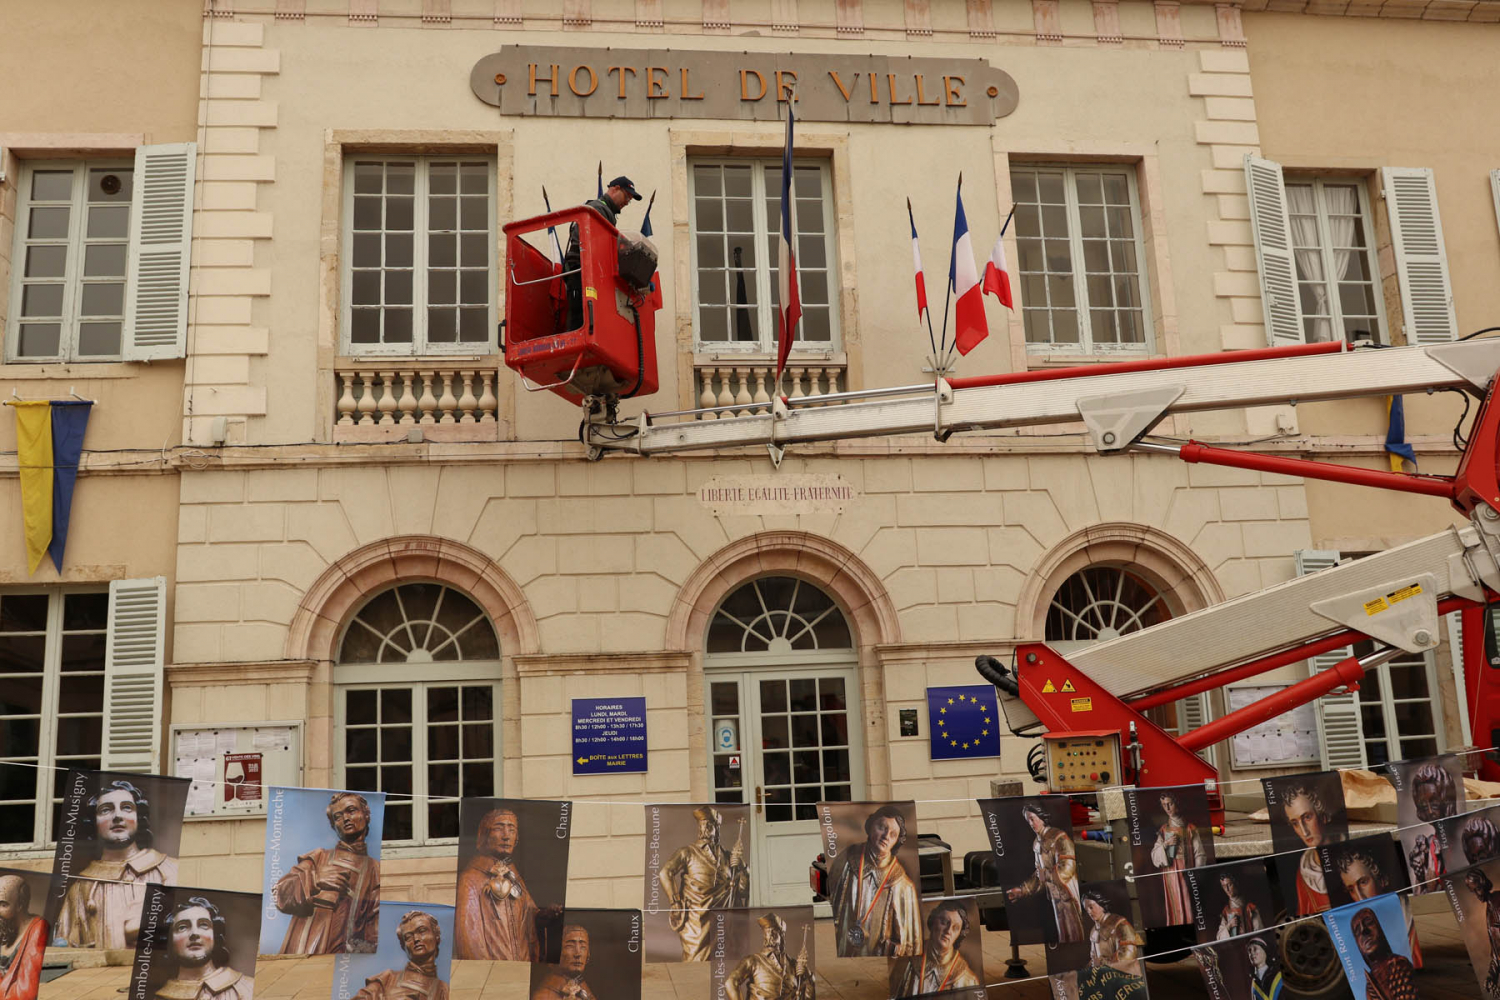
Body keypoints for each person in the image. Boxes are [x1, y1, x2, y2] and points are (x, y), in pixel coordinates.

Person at [55, 780, 180, 949]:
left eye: (127, 807)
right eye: (106, 810)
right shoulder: (79, 889)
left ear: (139, 817)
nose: (117, 816)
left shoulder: (171, 871)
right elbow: (64, 947)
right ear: (94, 823)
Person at [272, 792, 380, 955]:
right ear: (333, 826)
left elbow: (375, 930)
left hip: (344, 958)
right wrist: (314, 879)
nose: (346, 818)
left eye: (351, 811)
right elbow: (280, 894)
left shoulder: (375, 869)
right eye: (338, 816)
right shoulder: (319, 857)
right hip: (307, 949)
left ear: (366, 814)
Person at [455, 807, 558, 961]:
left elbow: (529, 915)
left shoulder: (514, 877)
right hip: (494, 969)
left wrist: (545, 916)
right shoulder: (470, 879)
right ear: (485, 835)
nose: (506, 836)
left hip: (521, 965)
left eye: (512, 830)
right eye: (498, 828)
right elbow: (468, 939)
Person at [658, 806, 748, 961]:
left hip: (723, 922)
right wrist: (675, 902)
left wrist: (743, 867)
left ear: (717, 828)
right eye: (702, 824)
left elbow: (743, 891)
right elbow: (665, 873)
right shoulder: (687, 852)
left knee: (722, 962)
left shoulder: (728, 857)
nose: (705, 828)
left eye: (709, 825)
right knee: (695, 960)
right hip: (696, 921)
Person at [829, 804, 921, 957]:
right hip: (846, 946)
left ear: (897, 841)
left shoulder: (903, 886)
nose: (886, 836)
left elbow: (910, 942)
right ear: (870, 826)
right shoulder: (847, 862)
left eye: (893, 834)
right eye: (881, 827)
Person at [563, 176, 642, 329]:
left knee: (584, 315)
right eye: (626, 196)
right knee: (580, 317)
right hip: (580, 268)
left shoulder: (603, 211)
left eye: (630, 200)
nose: (627, 202)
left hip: (582, 268)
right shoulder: (599, 209)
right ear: (615, 189)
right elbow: (597, 245)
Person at [1007, 803, 1084, 945]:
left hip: (1068, 894)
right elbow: (1039, 875)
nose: (1031, 823)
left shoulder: (1059, 837)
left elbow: (1068, 867)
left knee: (1075, 933)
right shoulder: (1037, 843)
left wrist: (1047, 875)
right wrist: (1022, 890)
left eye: (1032, 818)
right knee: (1064, 935)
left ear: (1042, 817)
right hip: (1055, 896)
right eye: (1028, 820)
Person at [153, 896, 254, 1000]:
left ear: (215, 935)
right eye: (182, 927)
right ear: (170, 940)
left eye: (203, 925)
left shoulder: (248, 988)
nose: (194, 933)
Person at [1335, 847, 1421, 966]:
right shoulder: (1366, 939)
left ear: (1382, 880)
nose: (1360, 898)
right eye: (1351, 890)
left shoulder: (1413, 920)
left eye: (1363, 882)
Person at [890, 901, 981, 996]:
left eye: (955, 928)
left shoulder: (968, 980)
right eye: (944, 922)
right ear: (933, 921)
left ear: (960, 934)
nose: (948, 931)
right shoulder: (906, 962)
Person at [353, 910, 448, 1000]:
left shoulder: (444, 990)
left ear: (436, 935)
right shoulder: (387, 980)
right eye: (408, 937)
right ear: (403, 946)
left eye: (422, 931)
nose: (416, 939)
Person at [1279, 782, 1343, 914]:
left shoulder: (1349, 857)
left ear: (1323, 816)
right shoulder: (1304, 872)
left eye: (1307, 817)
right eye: (1295, 823)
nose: (1304, 831)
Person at [1148, 791, 1207, 925]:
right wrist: (1166, 844)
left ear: (1177, 804)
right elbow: (1154, 855)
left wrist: (1197, 875)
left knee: (1189, 903)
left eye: (1170, 804)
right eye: (1164, 805)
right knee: (1175, 904)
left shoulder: (1190, 828)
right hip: (1170, 873)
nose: (1167, 808)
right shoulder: (1163, 830)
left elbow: (1199, 854)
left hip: (1187, 870)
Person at [723, 913, 813, 1000]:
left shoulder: (793, 964)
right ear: (764, 935)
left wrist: (807, 975)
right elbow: (731, 982)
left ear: (782, 935)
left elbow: (809, 995)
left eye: (774, 931)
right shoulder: (753, 960)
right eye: (767, 931)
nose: (771, 934)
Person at [1406, 763, 1457, 891]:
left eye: (1434, 803)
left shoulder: (1461, 841)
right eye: (1423, 805)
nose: (1429, 811)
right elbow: (1421, 896)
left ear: (1446, 800)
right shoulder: (1426, 847)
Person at [1350, 907, 1418, 1000]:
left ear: (1379, 928)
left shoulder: (1397, 964)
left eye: (1369, 922)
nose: (1364, 931)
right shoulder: (1370, 984)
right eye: (1357, 931)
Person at [0, 876, 47, 1000]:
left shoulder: (38, 929)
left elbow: (26, 991)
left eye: (3, 905)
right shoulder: (4, 927)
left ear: (20, 904)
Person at [1082, 888, 1143, 974]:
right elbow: (1093, 959)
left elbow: (1128, 954)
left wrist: (1102, 963)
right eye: (1086, 909)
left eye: (1091, 907)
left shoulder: (1120, 924)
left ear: (1101, 905)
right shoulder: (1093, 931)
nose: (1089, 911)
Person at [530, 925, 595, 1000]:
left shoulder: (584, 991)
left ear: (588, 954)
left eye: (583, 947)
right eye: (570, 946)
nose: (578, 954)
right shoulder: (543, 996)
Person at [1465, 868, 1500, 997]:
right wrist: (1492, 976)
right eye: (1473, 891)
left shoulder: (1499, 899)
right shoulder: (1489, 911)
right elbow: (1497, 953)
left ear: (1484, 883)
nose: (1477, 894)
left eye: (1478, 888)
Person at [1216, 871, 1265, 940]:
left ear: (1236, 883)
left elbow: (1259, 933)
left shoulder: (1250, 908)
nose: (1227, 889)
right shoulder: (1226, 911)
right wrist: (1228, 926)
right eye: (1224, 886)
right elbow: (1219, 938)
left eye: (1229, 885)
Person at [1246, 936, 1283, 1000]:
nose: (1252, 953)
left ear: (1264, 951)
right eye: (1249, 950)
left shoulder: (1277, 976)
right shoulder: (1253, 981)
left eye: (1255, 949)